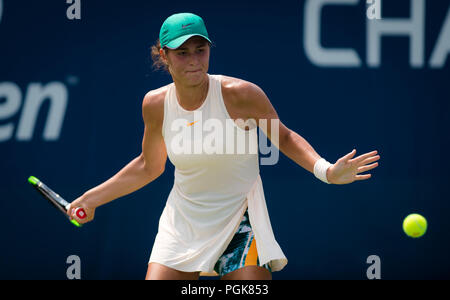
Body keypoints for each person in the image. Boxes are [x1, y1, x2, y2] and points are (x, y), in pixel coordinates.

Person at [67, 13, 380, 280]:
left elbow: (282, 136)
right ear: (164, 56)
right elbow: (149, 165)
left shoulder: (240, 94)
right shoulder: (155, 104)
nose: (193, 60)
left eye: (200, 50)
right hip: (184, 222)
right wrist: (90, 199)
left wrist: (326, 171)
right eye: (182, 52)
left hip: (240, 218)